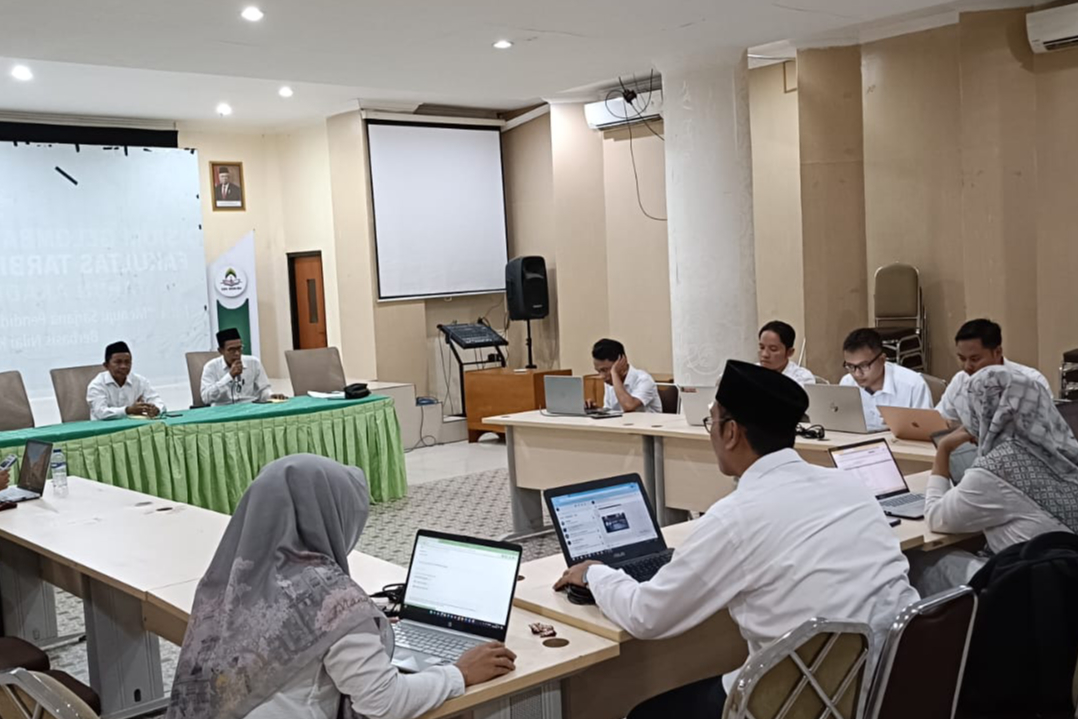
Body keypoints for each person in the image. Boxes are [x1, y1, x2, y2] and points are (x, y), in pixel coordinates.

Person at [555, 361, 918, 718]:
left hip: (797, 701)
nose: (709, 431)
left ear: (730, 433)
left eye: (709, 420)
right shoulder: (849, 485)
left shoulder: (735, 518)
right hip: (886, 685)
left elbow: (646, 615)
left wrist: (594, 574)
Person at [167, 454, 516, 719]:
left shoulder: (229, 580)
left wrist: (358, 626)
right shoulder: (333, 600)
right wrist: (459, 673)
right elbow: (382, 702)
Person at [911, 368, 1078, 595]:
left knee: (919, 559)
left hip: (1023, 591)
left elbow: (935, 517)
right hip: (1065, 584)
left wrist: (944, 449)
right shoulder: (1067, 449)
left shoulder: (998, 468)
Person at [935, 319, 1050, 421]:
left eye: (975, 359)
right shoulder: (960, 380)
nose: (967, 366)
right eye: (962, 359)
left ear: (997, 352)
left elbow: (1045, 431)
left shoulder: (1032, 381)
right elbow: (938, 420)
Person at [839, 328, 932, 432]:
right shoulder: (847, 383)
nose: (857, 374)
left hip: (900, 446)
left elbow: (926, 431)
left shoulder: (913, 385)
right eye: (850, 366)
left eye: (864, 365)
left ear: (882, 360)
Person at [87, 341, 165, 420]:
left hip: (134, 428)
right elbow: (101, 413)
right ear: (106, 365)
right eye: (118, 362)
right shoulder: (97, 385)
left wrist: (156, 409)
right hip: (105, 430)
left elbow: (157, 401)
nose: (123, 366)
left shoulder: (140, 381)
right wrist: (128, 410)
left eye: (127, 362)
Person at [200, 328, 278, 406]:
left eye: (239, 348)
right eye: (231, 350)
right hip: (223, 409)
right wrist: (230, 376)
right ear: (221, 351)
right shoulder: (211, 367)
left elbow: (263, 390)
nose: (237, 353)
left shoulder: (254, 363)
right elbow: (206, 398)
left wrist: (270, 396)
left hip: (249, 407)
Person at [591, 338, 662, 413]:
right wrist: (596, 410)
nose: (602, 376)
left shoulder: (644, 379)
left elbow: (628, 406)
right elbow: (611, 411)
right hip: (620, 423)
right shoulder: (610, 381)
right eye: (598, 371)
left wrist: (614, 373)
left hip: (647, 424)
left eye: (605, 370)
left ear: (621, 362)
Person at [757, 320, 815, 386]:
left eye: (773, 349)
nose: (764, 354)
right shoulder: (750, 373)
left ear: (789, 352)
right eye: (762, 348)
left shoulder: (802, 378)